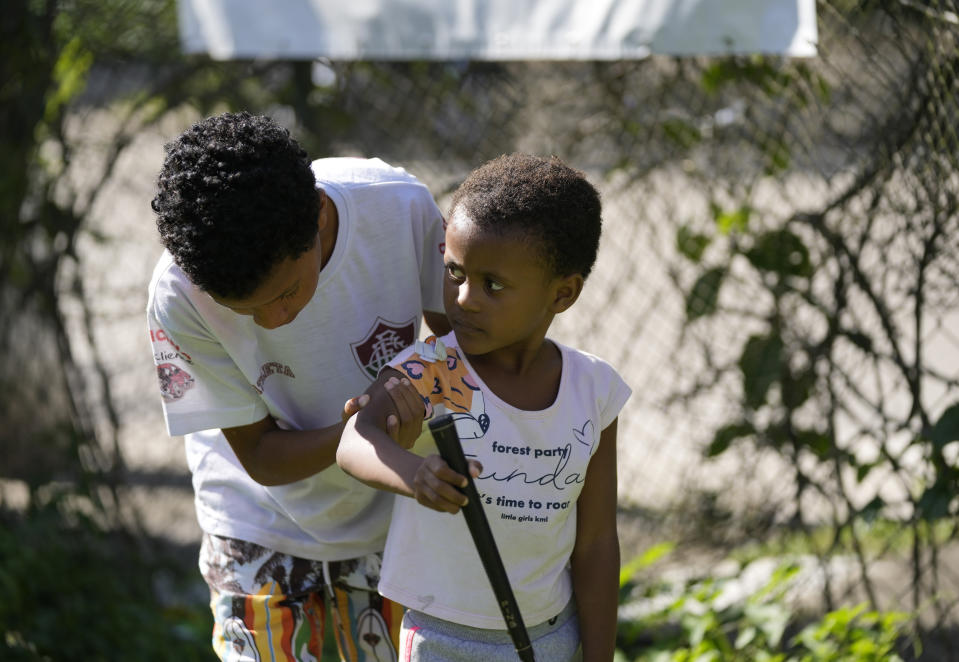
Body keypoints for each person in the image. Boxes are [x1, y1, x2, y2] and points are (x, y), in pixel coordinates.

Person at [146, 111, 451, 661]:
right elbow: (260, 455)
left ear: (317, 216)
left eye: (285, 292)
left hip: (393, 518)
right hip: (257, 524)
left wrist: (414, 397)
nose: (272, 322)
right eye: (246, 310)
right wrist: (363, 432)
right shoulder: (178, 293)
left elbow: (469, 340)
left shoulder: (399, 208)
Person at [337, 153, 632, 662]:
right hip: (439, 639)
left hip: (547, 638)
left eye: (492, 285)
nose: (465, 299)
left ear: (563, 294)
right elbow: (355, 439)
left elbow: (597, 543)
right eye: (455, 273)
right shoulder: (433, 368)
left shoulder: (593, 389)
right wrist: (414, 473)